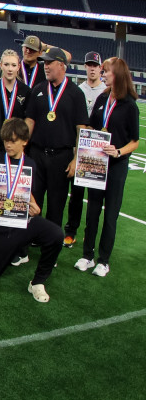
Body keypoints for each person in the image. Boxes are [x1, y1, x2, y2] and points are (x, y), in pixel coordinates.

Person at [0, 118, 60, 302]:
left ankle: (38, 282)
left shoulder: (31, 164)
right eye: (6, 140)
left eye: (13, 141)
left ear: (25, 141)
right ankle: (13, 252)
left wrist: (36, 207)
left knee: (55, 234)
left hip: (20, 223)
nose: (8, 145)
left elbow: (27, 192)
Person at [76, 57, 139, 278]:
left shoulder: (129, 104)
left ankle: (104, 260)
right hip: (96, 163)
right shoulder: (102, 98)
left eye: (106, 71)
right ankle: (87, 255)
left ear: (118, 74)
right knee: (92, 212)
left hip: (117, 166)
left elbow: (135, 140)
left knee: (110, 215)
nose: (102, 74)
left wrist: (119, 151)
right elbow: (92, 126)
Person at [24, 47, 85, 227]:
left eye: (50, 63)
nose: (46, 66)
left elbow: (81, 128)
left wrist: (77, 159)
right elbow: (29, 121)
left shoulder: (75, 93)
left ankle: (50, 244)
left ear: (62, 65)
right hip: (36, 153)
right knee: (33, 199)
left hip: (61, 157)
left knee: (56, 203)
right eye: (45, 63)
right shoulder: (38, 89)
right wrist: (22, 149)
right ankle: (29, 240)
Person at [64, 51, 108, 247]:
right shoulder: (77, 89)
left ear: (100, 68)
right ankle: (70, 231)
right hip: (79, 148)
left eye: (95, 65)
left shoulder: (107, 91)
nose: (92, 68)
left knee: (95, 196)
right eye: (89, 65)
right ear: (85, 67)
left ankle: (90, 235)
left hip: (98, 152)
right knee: (76, 194)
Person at [0, 50, 30, 157]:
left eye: (13, 65)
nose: (10, 69)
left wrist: (20, 146)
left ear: (18, 67)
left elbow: (27, 121)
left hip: (17, 146)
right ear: (1, 65)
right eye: (6, 64)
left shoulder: (26, 91)